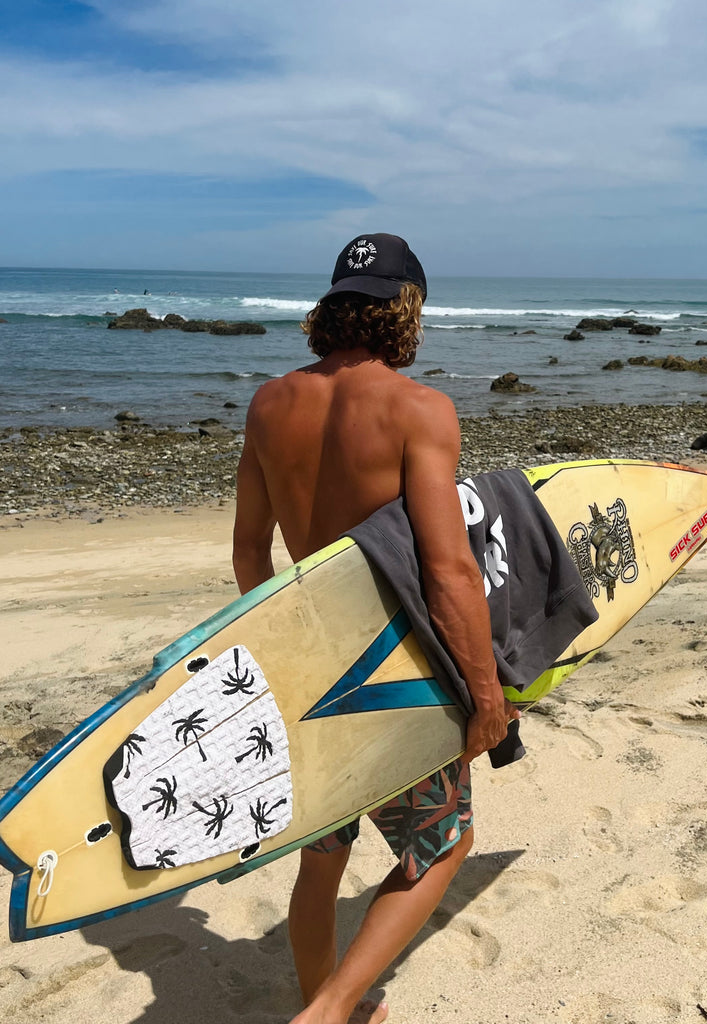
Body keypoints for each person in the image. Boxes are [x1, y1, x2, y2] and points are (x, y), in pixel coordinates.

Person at [232, 233, 518, 1024]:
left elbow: (250, 554)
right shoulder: (418, 410)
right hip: (396, 666)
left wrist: (285, 652)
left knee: (323, 855)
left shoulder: (269, 404)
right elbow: (449, 571)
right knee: (442, 844)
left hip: (311, 659)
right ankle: (329, 1012)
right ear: (405, 307)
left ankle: (330, 1008)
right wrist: (486, 698)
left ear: (332, 305)